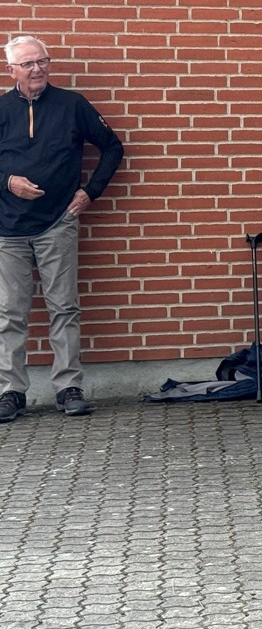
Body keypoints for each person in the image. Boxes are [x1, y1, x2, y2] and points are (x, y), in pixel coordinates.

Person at [0, 36, 124, 423]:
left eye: (42, 61)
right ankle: (11, 391)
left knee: (64, 308)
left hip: (58, 223)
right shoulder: (1, 109)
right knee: (9, 313)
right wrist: (8, 182)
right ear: (11, 70)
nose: (37, 69)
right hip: (7, 228)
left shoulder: (72, 105)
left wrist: (90, 192)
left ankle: (69, 387)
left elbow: (113, 147)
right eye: (27, 63)